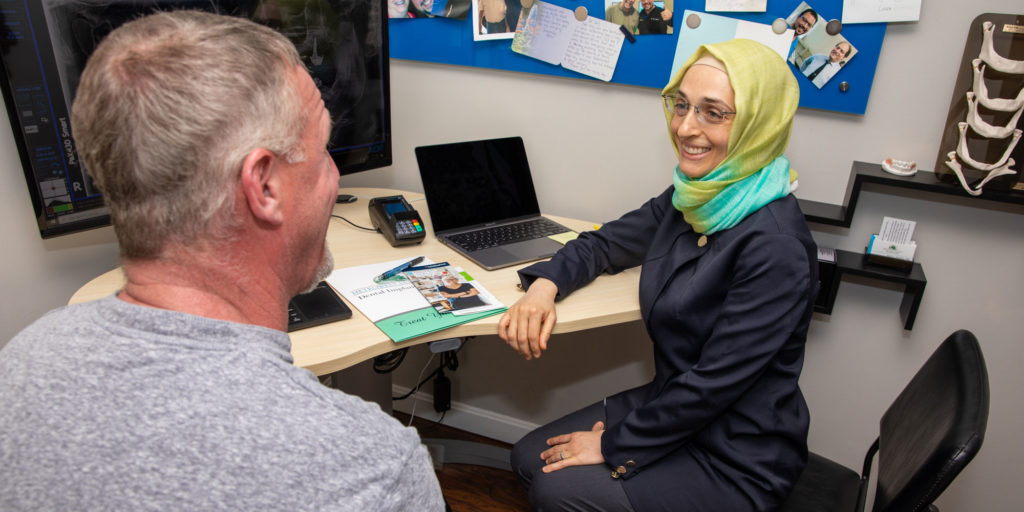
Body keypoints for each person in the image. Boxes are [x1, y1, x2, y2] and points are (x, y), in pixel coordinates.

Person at [0, 11, 443, 511]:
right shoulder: (373, 470)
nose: (335, 175)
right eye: (323, 152)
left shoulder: (20, 362)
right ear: (265, 187)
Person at [498, 38, 817, 511]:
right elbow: (605, 243)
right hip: (676, 404)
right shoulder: (699, 195)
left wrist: (612, 445)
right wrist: (543, 288)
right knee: (528, 458)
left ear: (757, 123)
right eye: (681, 105)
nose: (685, 127)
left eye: (714, 112)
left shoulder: (777, 247)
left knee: (554, 489)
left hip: (735, 452)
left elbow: (714, 385)